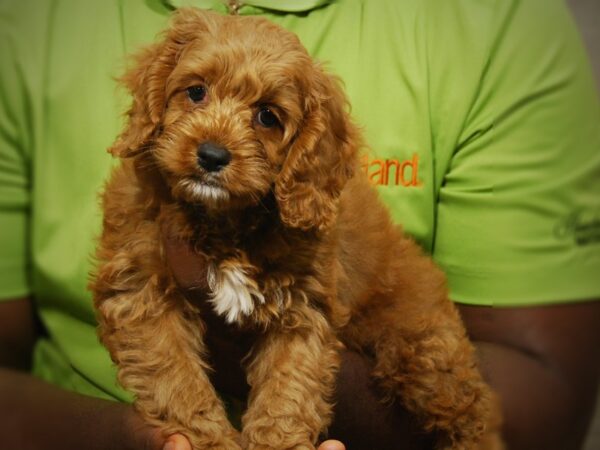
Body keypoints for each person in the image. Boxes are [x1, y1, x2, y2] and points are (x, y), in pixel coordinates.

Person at [1, 0, 598, 449]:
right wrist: (178, 440)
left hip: (378, 325)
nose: (216, 141)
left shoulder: (500, 22)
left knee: (444, 389)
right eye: (197, 93)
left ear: (303, 145)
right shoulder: (28, 27)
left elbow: (547, 400)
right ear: (157, 97)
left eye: (266, 117)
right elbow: (132, 311)